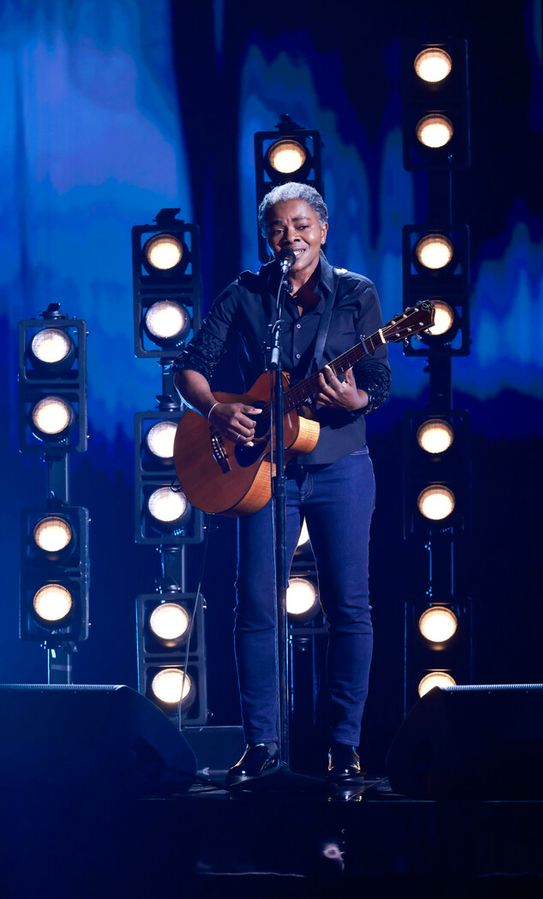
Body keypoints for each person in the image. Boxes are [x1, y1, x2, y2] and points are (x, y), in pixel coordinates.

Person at [173, 182, 390, 782]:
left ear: (322, 230)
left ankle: (343, 746)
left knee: (350, 607)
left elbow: (378, 379)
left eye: (301, 225)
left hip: (340, 463)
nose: (290, 237)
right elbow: (190, 368)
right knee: (256, 606)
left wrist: (358, 398)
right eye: (278, 227)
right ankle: (262, 745)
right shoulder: (247, 294)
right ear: (266, 236)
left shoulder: (356, 294)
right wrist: (217, 410)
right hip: (263, 471)